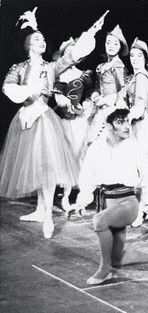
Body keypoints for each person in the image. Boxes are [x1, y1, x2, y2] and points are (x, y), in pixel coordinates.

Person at [0, 7, 103, 238]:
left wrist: (90, 35)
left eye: (44, 38)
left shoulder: (50, 67)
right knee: (34, 166)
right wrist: (32, 90)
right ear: (28, 45)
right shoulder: (19, 68)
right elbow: (8, 87)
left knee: (46, 169)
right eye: (37, 39)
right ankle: (39, 209)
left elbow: (71, 56)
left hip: (45, 120)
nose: (42, 41)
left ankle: (48, 215)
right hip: (26, 119)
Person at [66, 108, 148, 285]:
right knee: (116, 258)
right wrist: (81, 202)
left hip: (127, 203)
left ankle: (104, 270)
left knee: (99, 221)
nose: (126, 126)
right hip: (107, 202)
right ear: (109, 126)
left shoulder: (134, 146)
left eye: (127, 122)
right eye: (120, 122)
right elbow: (87, 176)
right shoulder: (97, 148)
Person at [116, 38, 148, 227]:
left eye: (139, 56)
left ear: (145, 58)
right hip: (135, 123)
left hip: (141, 124)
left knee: (142, 168)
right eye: (132, 56)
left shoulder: (142, 76)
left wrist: (127, 116)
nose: (134, 59)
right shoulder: (134, 77)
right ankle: (140, 208)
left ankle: (144, 209)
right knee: (136, 168)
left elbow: (140, 105)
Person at [52, 38, 94, 210]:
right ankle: (61, 193)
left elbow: (91, 93)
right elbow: (56, 93)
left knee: (76, 157)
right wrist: (60, 99)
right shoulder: (59, 74)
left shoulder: (85, 75)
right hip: (61, 120)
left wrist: (89, 102)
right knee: (62, 157)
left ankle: (74, 195)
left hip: (78, 121)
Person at [85, 25, 128, 149]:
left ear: (120, 47)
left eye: (115, 44)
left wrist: (107, 100)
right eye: (108, 42)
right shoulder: (103, 65)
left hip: (113, 109)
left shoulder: (118, 65)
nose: (111, 46)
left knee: (107, 145)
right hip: (101, 109)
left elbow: (123, 89)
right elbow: (99, 87)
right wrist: (96, 94)